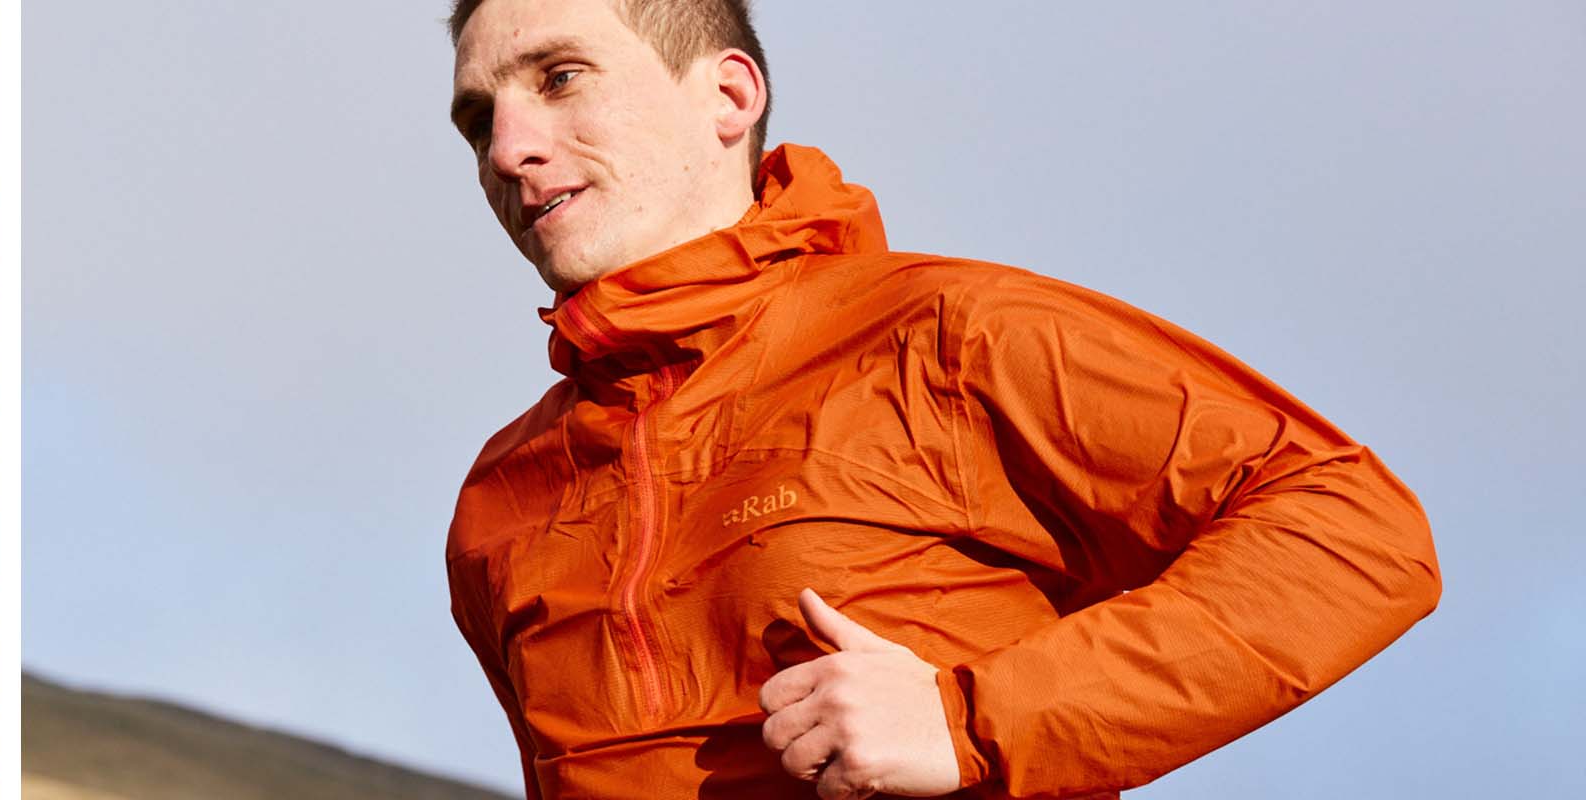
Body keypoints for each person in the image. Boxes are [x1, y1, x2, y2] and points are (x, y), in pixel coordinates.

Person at [436, 2, 1442, 798]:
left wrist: (970, 719)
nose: (510, 145)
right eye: (480, 117)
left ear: (728, 96)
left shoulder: (951, 331)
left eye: (560, 78)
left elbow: (1355, 533)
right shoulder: (499, 499)